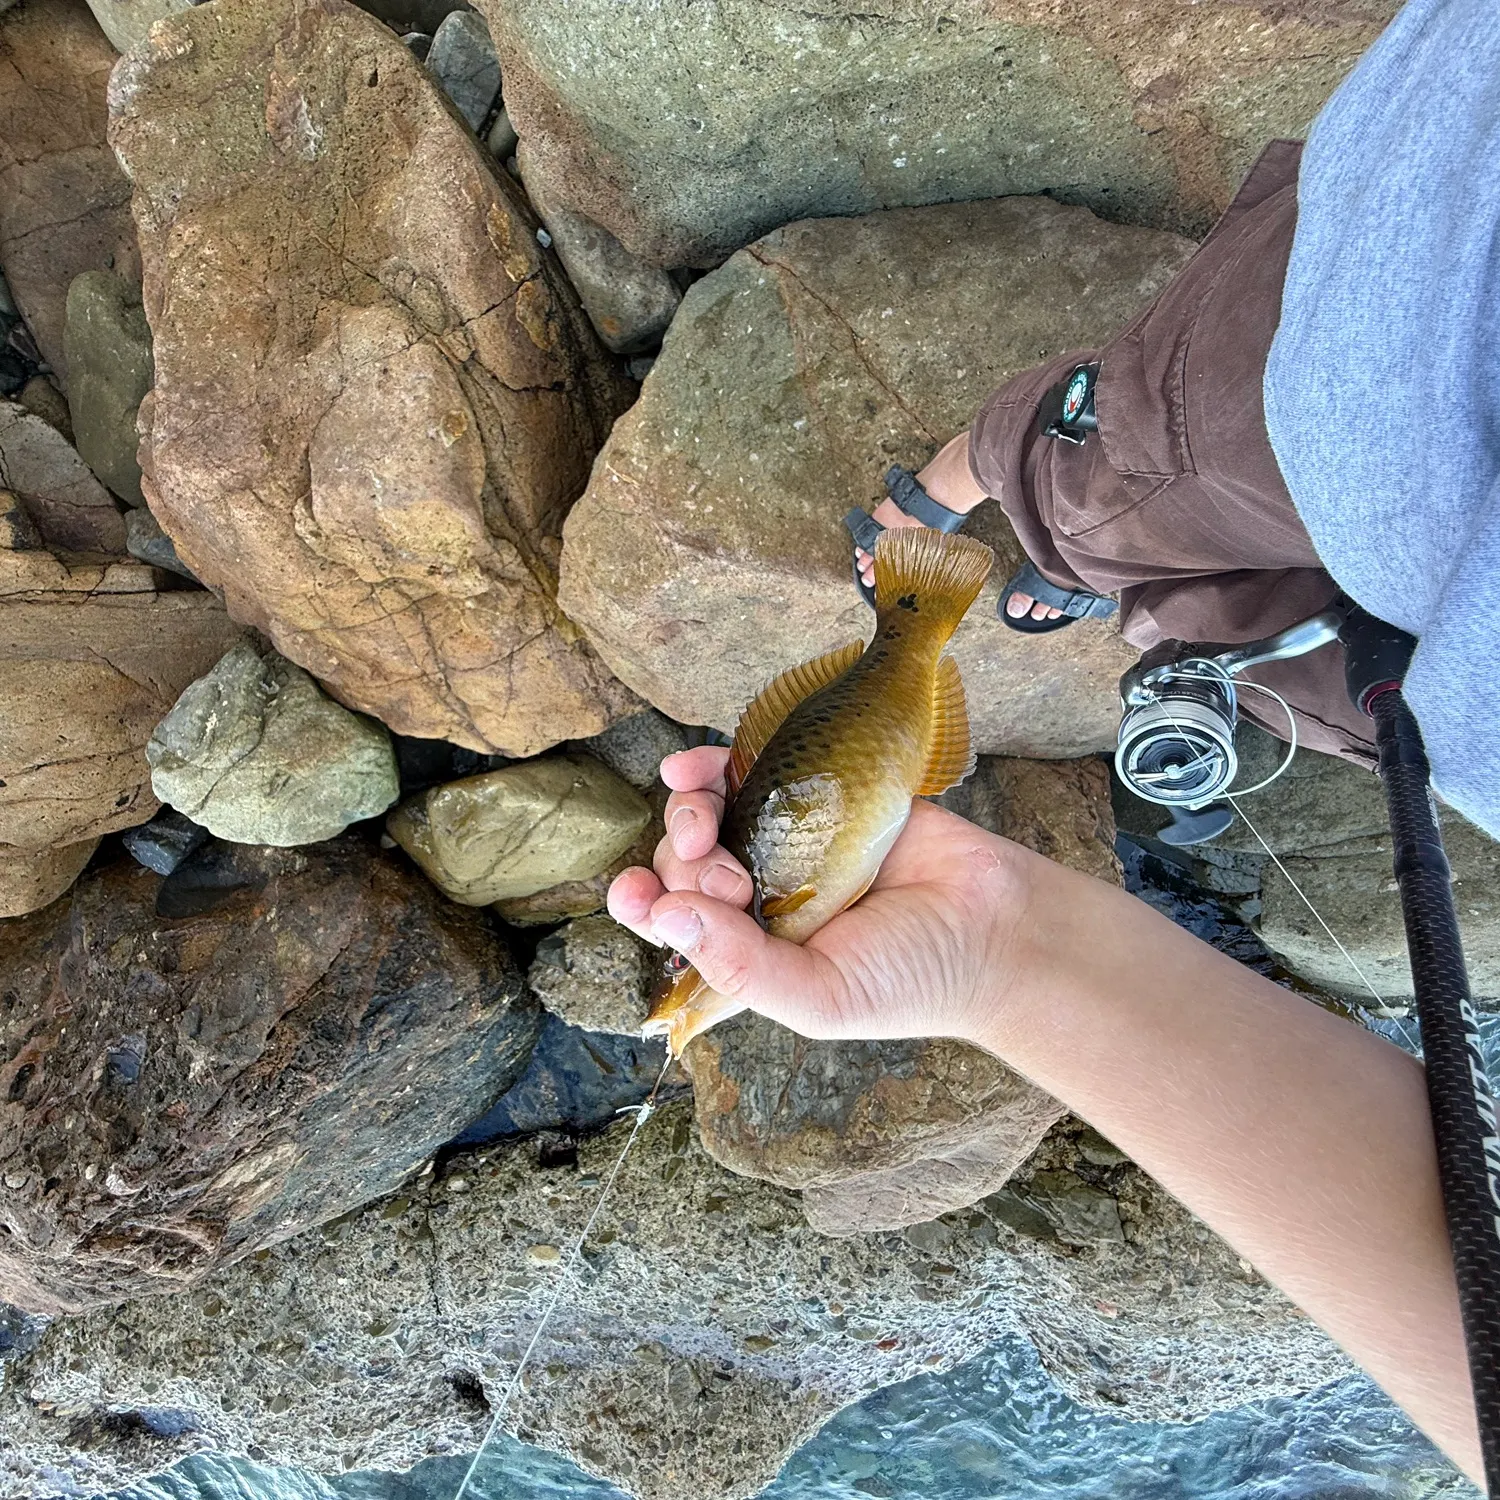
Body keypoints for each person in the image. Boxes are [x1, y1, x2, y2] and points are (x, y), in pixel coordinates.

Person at [609, 0, 1497, 1485]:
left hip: (1391, 447)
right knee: (1211, 545)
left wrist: (1001, 953)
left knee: (1207, 500)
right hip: (1426, 469)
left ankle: (1017, 521)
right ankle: (1049, 536)